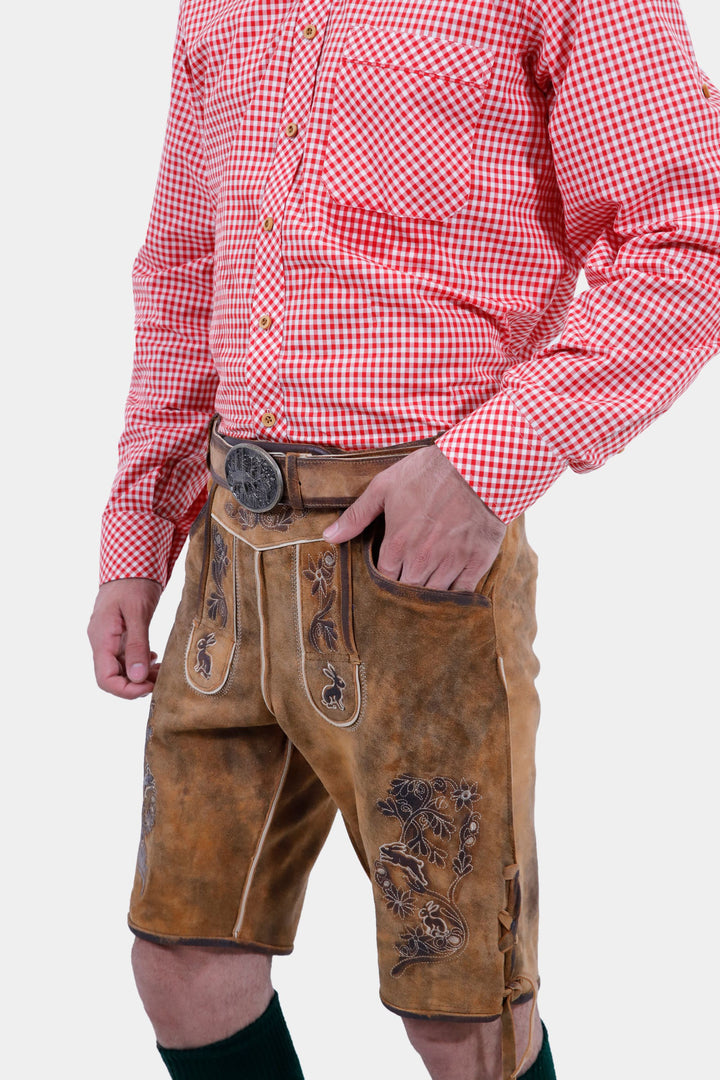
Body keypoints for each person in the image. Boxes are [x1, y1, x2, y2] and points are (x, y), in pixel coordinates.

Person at [87, 0, 719, 1075]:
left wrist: (487, 464)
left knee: (459, 1009)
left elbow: (690, 236)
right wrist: (137, 531)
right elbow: (186, 272)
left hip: (417, 568)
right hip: (229, 570)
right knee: (184, 966)